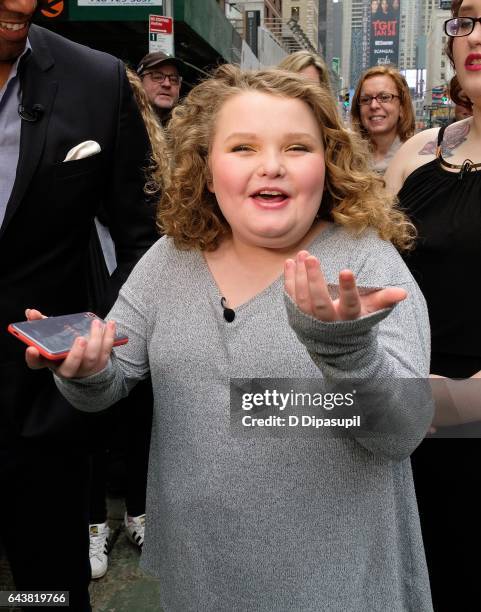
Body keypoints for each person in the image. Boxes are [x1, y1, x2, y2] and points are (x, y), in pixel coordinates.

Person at [28, 65, 433, 611]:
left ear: (330, 163)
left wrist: (346, 349)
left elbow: (399, 433)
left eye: (297, 148)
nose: (272, 166)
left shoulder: (365, 263)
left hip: (338, 583)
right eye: (243, 147)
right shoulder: (171, 259)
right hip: (198, 573)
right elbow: (112, 379)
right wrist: (86, 370)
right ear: (205, 165)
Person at [0, 1, 157, 609]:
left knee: (48, 597)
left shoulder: (95, 79)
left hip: (42, 414)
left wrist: (95, 339)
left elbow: (143, 234)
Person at [384, 1, 481, 609]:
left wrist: (458, 403)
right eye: (468, 19)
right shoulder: (420, 151)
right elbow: (372, 271)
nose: (477, 33)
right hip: (408, 419)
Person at [87, 67, 168, 580]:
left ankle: (138, 512)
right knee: (82, 414)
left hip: (127, 294)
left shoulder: (150, 166)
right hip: (74, 293)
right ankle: (94, 521)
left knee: (138, 408)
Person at [351, 66, 415, 174]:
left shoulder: (416, 158)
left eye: (384, 97)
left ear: (402, 107)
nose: (373, 105)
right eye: (365, 99)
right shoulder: (343, 158)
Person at [137, 51, 182, 125]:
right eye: (157, 77)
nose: (167, 84)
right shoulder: (123, 121)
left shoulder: (189, 130)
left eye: (174, 79)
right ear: (139, 81)